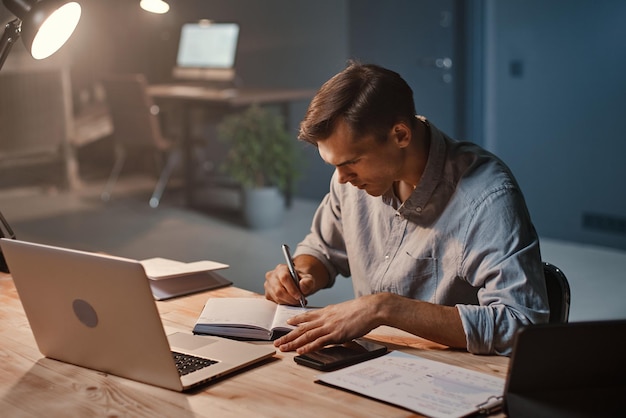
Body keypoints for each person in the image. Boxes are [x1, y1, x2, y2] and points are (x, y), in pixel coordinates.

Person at [264, 62, 549, 356]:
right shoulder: (353, 180)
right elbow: (323, 249)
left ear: (400, 135)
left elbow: (521, 324)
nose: (341, 178)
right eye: (334, 164)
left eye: (350, 162)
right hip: (370, 363)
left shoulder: (486, 196)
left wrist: (385, 308)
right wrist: (300, 272)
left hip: (455, 375)